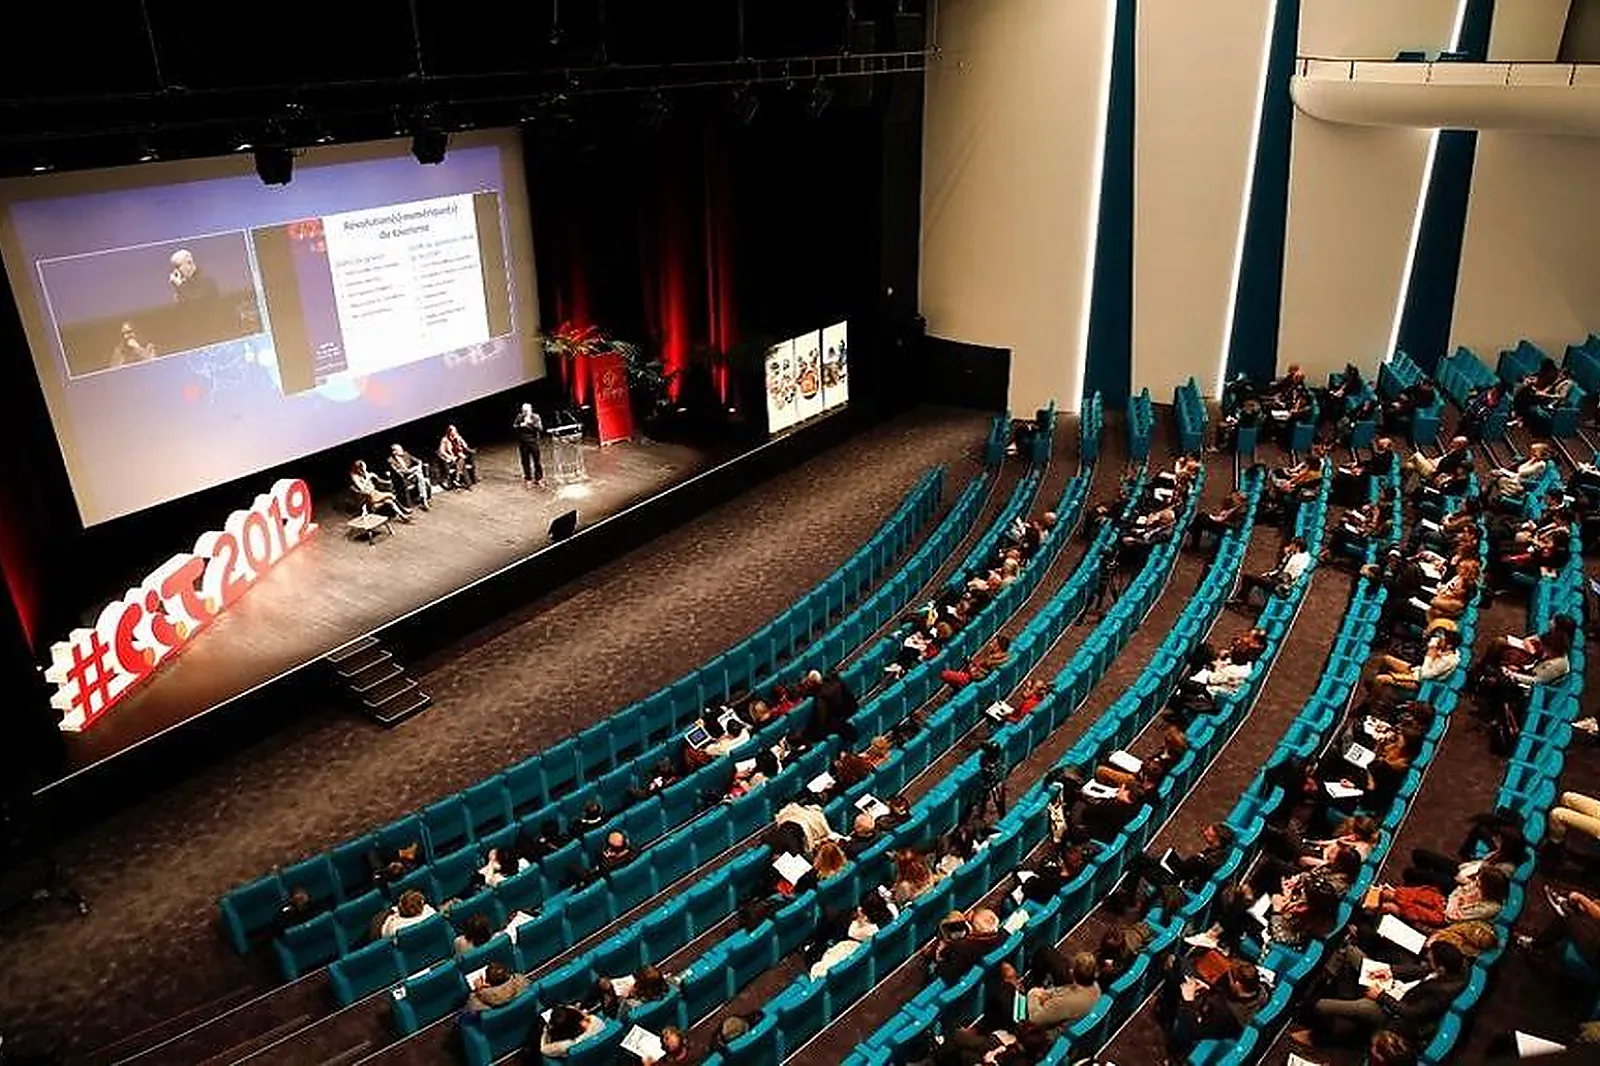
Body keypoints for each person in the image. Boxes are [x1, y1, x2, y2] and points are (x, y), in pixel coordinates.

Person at [1301, 940, 1467, 1045]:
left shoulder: (1441, 993)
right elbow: (1420, 970)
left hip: (1392, 1014)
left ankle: (1318, 1033)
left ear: (1441, 969)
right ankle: (1331, 988)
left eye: (1430, 961)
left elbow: (1411, 1013)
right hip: (1395, 989)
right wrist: (1389, 971)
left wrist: (1380, 996)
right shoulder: (1448, 969)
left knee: (1323, 1005)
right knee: (1350, 951)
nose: (1427, 962)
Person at [1158, 957, 1265, 1060]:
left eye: (1230, 978)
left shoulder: (1226, 1012)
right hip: (1215, 1011)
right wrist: (1209, 988)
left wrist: (1188, 1000)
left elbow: (1192, 1030)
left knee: (1175, 975)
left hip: (1205, 1031)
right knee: (1181, 965)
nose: (1228, 979)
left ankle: (1168, 1030)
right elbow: (1228, 997)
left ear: (1237, 984)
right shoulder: (1260, 992)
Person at [1021, 948, 1101, 1028]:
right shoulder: (1096, 987)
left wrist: (1033, 993)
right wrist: (1047, 993)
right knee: (1047, 954)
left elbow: (1034, 1019)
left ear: (1072, 972)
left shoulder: (1064, 1002)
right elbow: (1063, 991)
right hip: (1065, 1009)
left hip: (1049, 1028)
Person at [1230, 538, 1311, 609]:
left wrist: (1286, 555)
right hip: (1286, 583)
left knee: (1248, 578)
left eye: (1292, 545)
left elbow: (1283, 572)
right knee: (1259, 578)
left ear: (1297, 547)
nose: (1290, 546)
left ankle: (1240, 600)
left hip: (1280, 585)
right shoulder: (1306, 556)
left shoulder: (1293, 558)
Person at [540, 1004, 607, 1057]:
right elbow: (584, 1015)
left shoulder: (566, 1045)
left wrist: (546, 1032)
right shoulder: (595, 1020)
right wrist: (571, 1010)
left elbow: (543, 1049)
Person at [466, 961, 531, 1011]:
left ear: (488, 984)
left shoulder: (476, 1001)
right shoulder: (523, 982)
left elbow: (471, 1012)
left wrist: (479, 990)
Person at [386, 443, 432, 510]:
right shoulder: (391, 460)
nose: (402, 451)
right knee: (419, 475)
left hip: (412, 474)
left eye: (401, 449)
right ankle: (424, 500)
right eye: (400, 450)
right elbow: (398, 472)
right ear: (394, 452)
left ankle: (424, 499)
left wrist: (418, 466)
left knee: (419, 476)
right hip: (403, 478)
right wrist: (412, 470)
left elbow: (418, 461)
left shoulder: (406, 454)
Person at [513, 403, 544, 485]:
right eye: (523, 410)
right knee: (525, 461)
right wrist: (520, 425)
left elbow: (540, 429)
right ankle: (528, 478)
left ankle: (539, 478)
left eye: (526, 410)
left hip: (533, 442)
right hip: (523, 443)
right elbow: (514, 426)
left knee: (537, 461)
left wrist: (530, 423)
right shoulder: (519, 417)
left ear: (530, 410)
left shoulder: (535, 417)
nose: (525, 412)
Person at [438, 424, 477, 488]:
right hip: (450, 458)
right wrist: (450, 457)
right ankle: (460, 478)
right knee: (461, 460)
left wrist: (460, 442)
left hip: (459, 457)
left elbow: (465, 448)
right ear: (449, 432)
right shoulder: (445, 440)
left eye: (455, 431)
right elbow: (442, 451)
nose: (454, 433)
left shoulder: (458, 438)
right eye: (453, 432)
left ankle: (458, 477)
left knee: (462, 460)